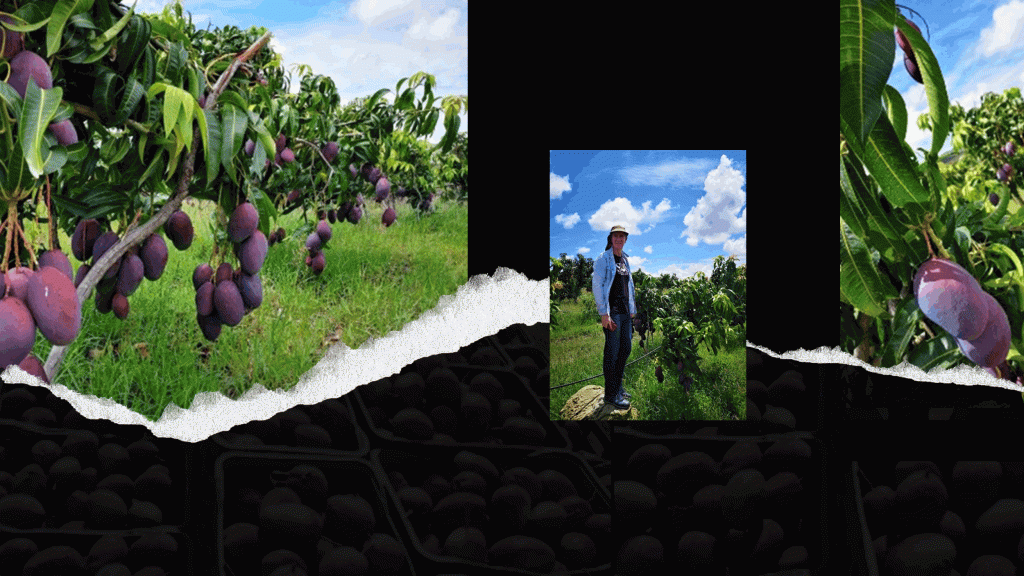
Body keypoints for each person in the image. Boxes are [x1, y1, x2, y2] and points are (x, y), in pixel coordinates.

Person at [592, 225, 636, 409]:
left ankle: (618, 387)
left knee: (625, 349)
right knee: (612, 352)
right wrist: (604, 314)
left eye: (622, 236)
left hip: (625, 312)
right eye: (615, 236)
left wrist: (632, 308)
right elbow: (597, 285)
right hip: (613, 313)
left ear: (625, 239)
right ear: (611, 239)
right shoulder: (603, 259)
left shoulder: (625, 260)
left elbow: (629, 286)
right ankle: (611, 395)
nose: (619, 239)